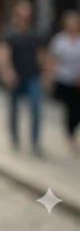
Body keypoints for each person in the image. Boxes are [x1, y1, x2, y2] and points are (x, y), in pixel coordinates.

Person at [0, 0, 46, 157]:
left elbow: (40, 54)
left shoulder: (35, 32)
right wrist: (7, 72)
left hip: (32, 75)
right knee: (14, 108)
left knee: (36, 107)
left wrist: (45, 74)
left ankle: (35, 142)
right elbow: (3, 52)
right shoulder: (9, 32)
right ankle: (15, 138)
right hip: (15, 76)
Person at [44, 10, 80, 154]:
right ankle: (70, 134)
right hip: (64, 78)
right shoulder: (59, 40)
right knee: (70, 108)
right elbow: (53, 59)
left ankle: (73, 130)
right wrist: (49, 76)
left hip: (78, 79)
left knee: (77, 109)